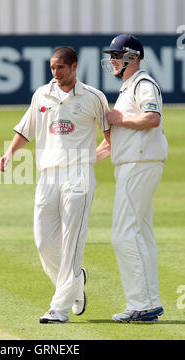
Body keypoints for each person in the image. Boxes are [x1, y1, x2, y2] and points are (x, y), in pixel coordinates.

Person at [0, 47, 110, 323]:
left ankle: (58, 309)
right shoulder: (42, 95)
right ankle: (76, 283)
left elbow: (111, 136)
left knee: (72, 242)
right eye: (52, 68)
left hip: (79, 176)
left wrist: (92, 157)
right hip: (47, 175)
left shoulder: (94, 97)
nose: (56, 73)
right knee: (43, 243)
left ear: (74, 66)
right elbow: (27, 129)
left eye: (61, 67)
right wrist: (10, 153)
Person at [98, 34, 168, 321]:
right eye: (112, 56)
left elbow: (152, 118)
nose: (113, 61)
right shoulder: (129, 87)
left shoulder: (142, 84)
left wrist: (119, 120)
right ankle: (149, 300)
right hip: (136, 162)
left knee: (123, 234)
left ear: (132, 57)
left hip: (138, 164)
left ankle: (140, 304)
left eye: (117, 56)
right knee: (141, 233)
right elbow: (120, 134)